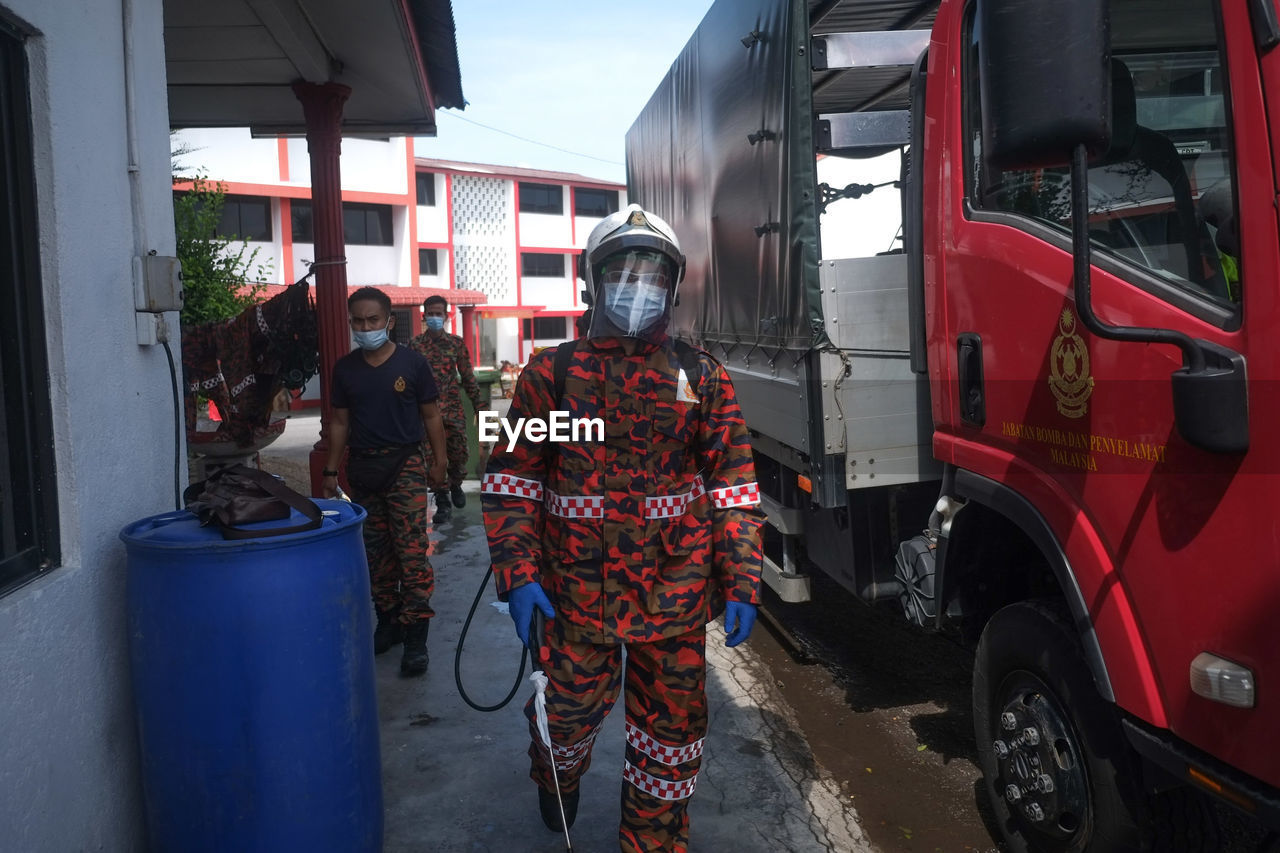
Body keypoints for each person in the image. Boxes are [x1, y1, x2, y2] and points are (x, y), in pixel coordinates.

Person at [481, 204, 764, 852]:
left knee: (671, 740)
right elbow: (512, 483)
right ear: (594, 281)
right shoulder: (551, 377)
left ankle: (653, 842)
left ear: (673, 284)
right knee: (564, 721)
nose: (638, 287)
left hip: (675, 597)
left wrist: (744, 577)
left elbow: (733, 487)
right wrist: (518, 576)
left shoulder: (701, 377)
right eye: (623, 271)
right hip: (575, 600)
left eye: (653, 274)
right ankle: (559, 777)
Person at [323, 286, 448, 677]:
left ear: (389, 321)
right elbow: (339, 423)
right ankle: (389, 621)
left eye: (373, 320)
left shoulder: (412, 365)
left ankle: (416, 636)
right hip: (363, 470)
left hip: (405, 466)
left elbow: (431, 416)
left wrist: (440, 461)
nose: (366, 327)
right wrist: (330, 471)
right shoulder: (345, 370)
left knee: (411, 553)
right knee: (375, 555)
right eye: (358, 321)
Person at [410, 295, 486, 524]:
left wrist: (480, 407)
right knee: (432, 458)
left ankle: (456, 485)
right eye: (430, 313)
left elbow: (468, 377)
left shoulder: (456, 343)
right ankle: (442, 499)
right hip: (425, 413)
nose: (434, 317)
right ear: (425, 316)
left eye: (438, 313)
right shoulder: (415, 345)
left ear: (445, 316)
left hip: (452, 410)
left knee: (459, 453)